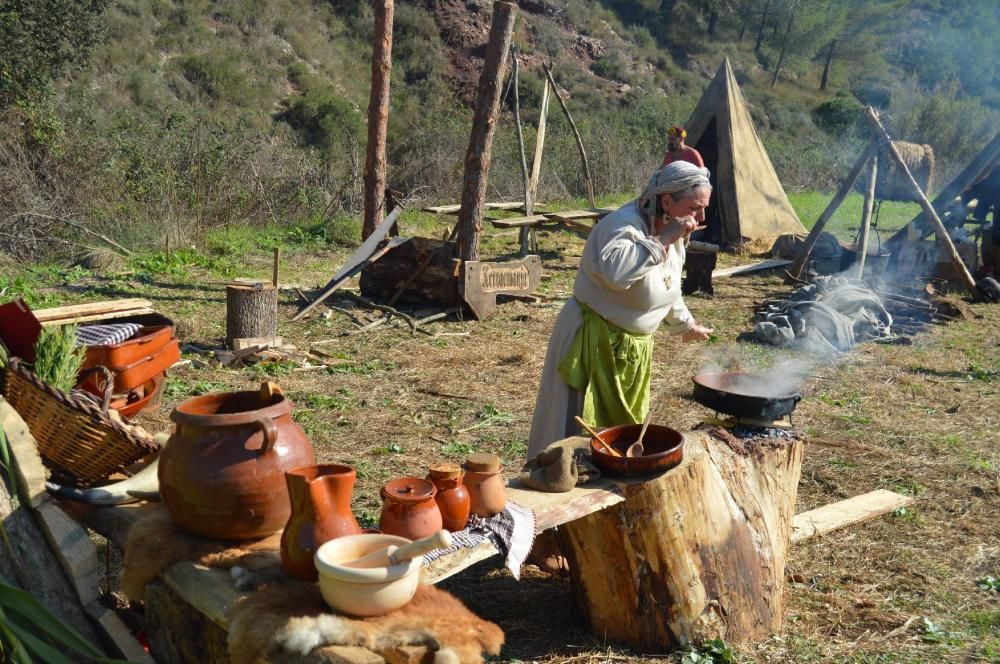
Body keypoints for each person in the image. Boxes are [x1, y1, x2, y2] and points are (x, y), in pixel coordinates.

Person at [526, 161, 715, 460]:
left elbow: (667, 286)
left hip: (630, 350)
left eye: (704, 208)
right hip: (591, 340)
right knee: (574, 431)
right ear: (667, 201)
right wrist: (663, 239)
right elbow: (617, 275)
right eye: (695, 207)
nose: (701, 217)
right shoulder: (622, 226)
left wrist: (685, 325)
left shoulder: (672, 229)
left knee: (618, 434)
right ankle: (556, 478)